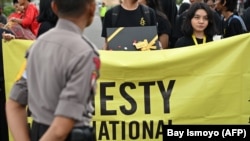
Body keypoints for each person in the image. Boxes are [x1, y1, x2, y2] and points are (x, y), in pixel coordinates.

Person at [6, 0, 100, 141]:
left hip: (39, 132)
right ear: (92, 8)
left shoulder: (36, 47)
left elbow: (14, 103)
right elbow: (61, 128)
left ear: (54, 7)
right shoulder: (85, 53)